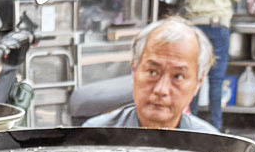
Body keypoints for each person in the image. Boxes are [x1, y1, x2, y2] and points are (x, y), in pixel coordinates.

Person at [83, 18, 217, 133]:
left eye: (178, 77)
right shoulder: (96, 135)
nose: (161, 90)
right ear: (134, 70)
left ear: (198, 83)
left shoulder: (213, 147)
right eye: (152, 72)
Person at [182, 0, 246, 130]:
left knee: (193, 78)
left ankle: (188, 126)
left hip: (193, 28)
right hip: (218, 26)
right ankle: (216, 129)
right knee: (216, 81)